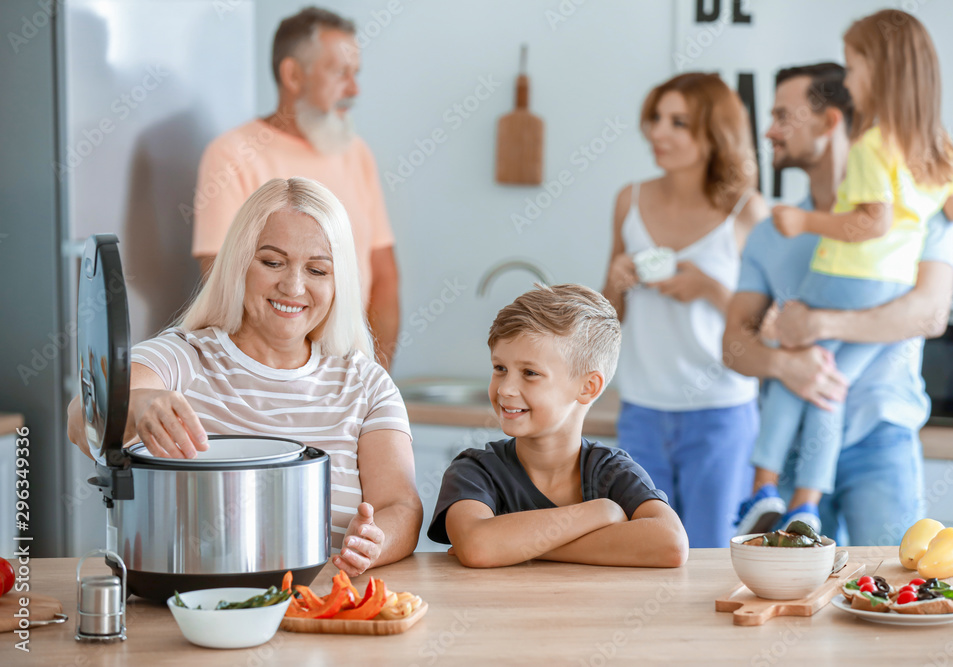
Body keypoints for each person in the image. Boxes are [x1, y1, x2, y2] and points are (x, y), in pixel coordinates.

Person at [68, 177, 422, 576]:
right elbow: (84, 415)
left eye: (318, 270)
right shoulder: (186, 356)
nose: (293, 286)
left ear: (339, 282)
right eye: (272, 262)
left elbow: (402, 508)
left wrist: (374, 541)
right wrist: (137, 405)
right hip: (187, 610)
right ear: (239, 262)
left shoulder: (365, 384)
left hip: (321, 613)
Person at [736, 10, 953, 535]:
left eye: (784, 115)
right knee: (795, 605)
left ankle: (765, 484)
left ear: (831, 121)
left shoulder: (918, 201)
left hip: (881, 441)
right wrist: (783, 366)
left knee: (884, 599)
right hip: (799, 447)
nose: (770, 130)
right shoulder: (770, 232)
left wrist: (818, 328)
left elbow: (930, 314)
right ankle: (772, 492)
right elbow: (733, 341)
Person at [601, 73, 769, 548]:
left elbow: (770, 328)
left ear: (714, 132)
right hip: (642, 409)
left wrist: (711, 289)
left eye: (678, 122)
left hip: (720, 412)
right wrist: (616, 282)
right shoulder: (628, 201)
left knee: (715, 556)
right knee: (649, 551)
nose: (658, 132)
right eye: (655, 118)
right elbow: (606, 322)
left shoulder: (747, 211)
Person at [191, 7, 400, 369]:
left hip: (349, 377)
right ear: (292, 75)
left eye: (356, 74)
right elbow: (224, 287)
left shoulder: (356, 153)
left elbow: (383, 277)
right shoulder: (231, 154)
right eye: (340, 74)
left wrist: (372, 380)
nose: (354, 89)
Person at [427, 284, 688, 568]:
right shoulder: (474, 471)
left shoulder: (613, 472)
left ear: (588, 387)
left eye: (530, 373)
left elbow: (671, 545)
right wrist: (600, 512)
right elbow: (478, 547)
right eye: (500, 368)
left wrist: (518, 547)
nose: (505, 389)